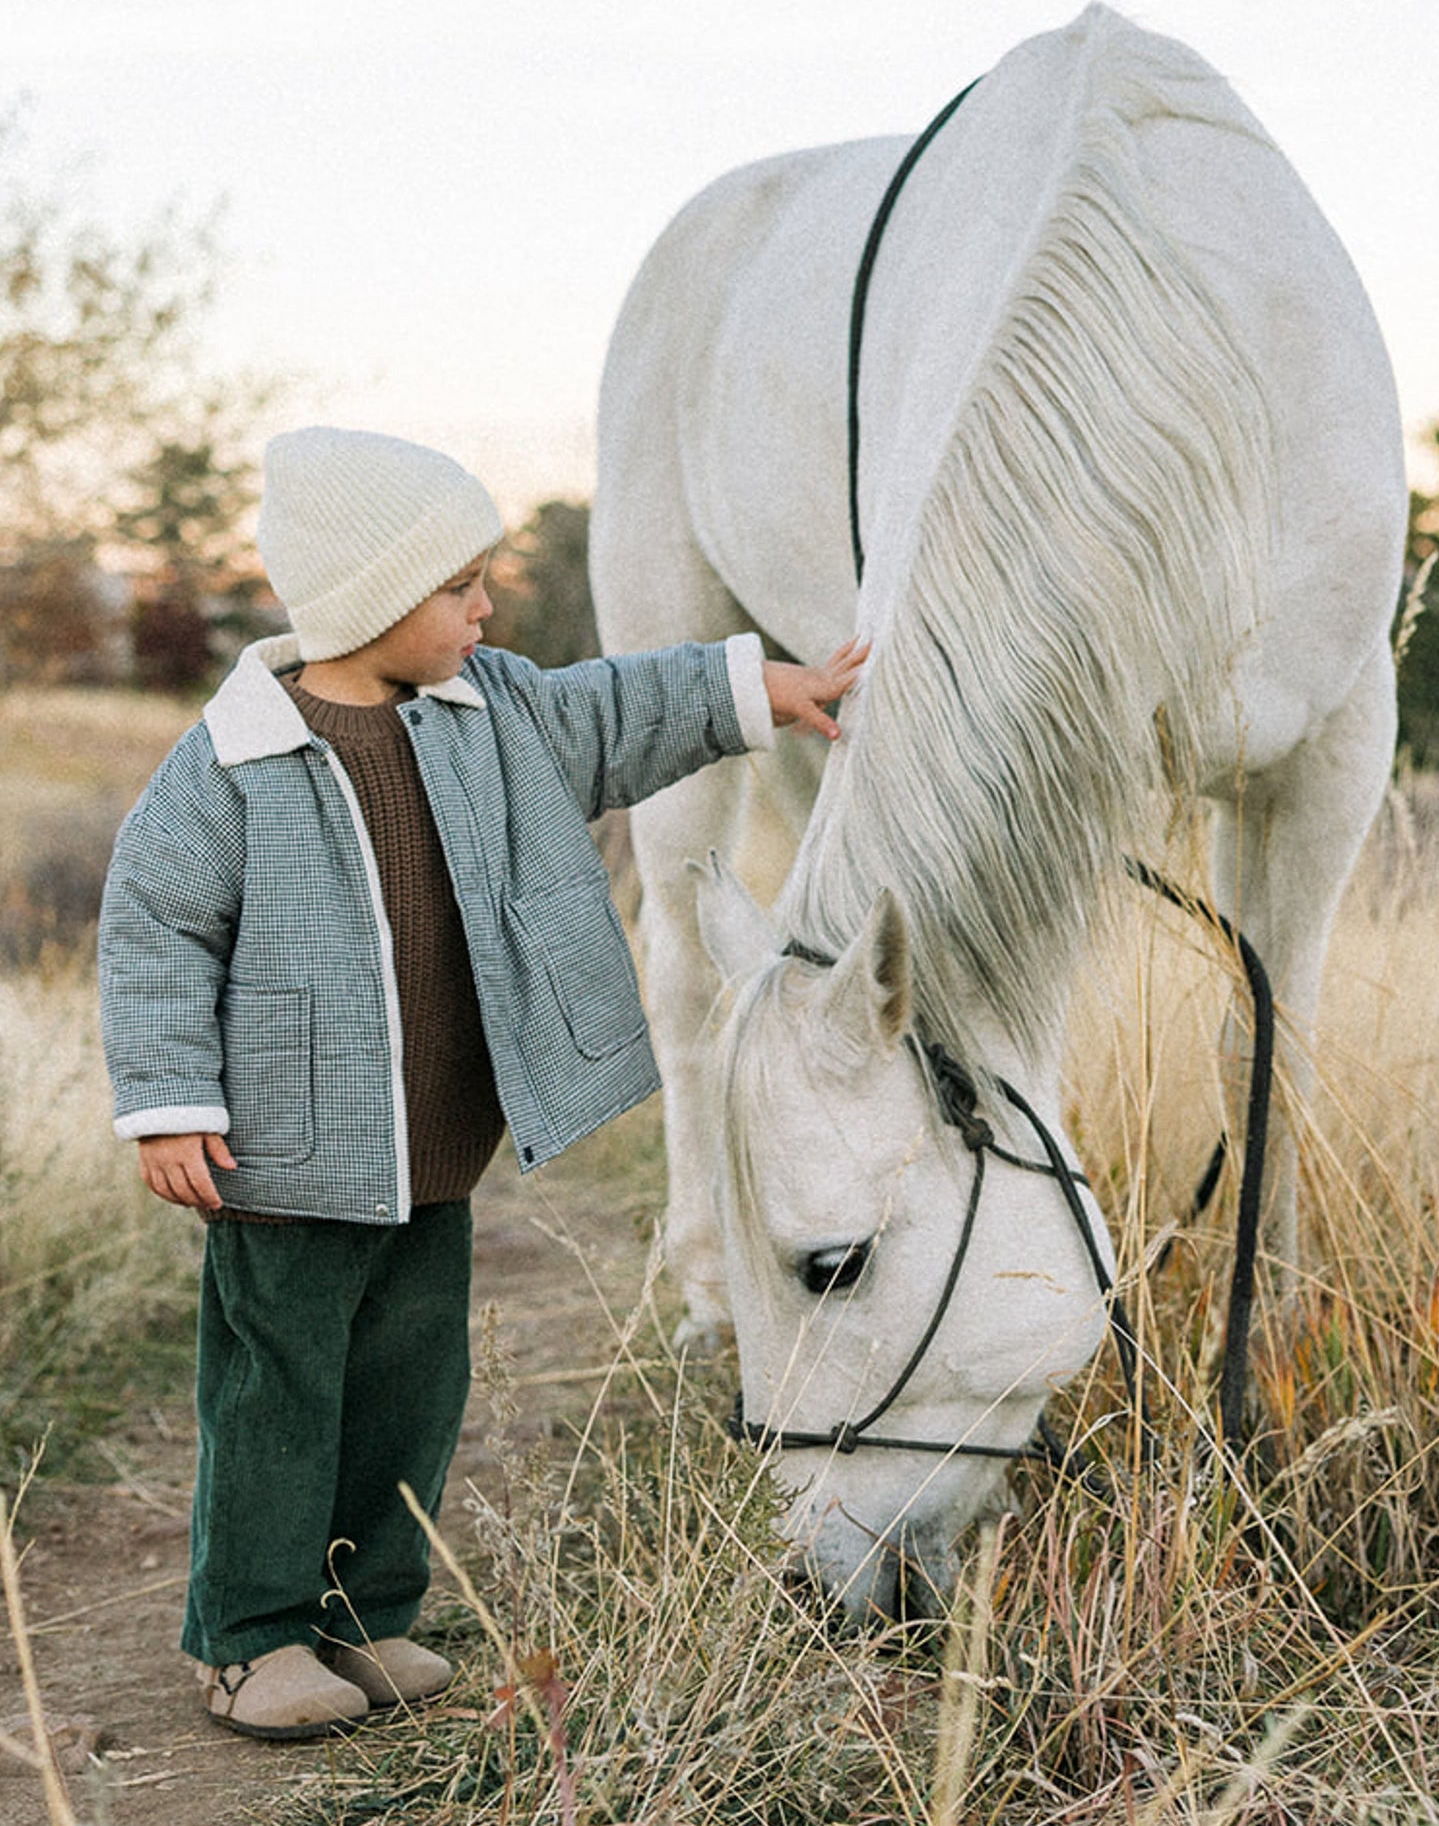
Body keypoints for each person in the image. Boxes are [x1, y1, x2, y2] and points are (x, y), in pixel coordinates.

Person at [97, 425, 866, 1742]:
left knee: (411, 1388)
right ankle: (253, 1636)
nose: (485, 608)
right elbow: (156, 926)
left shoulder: (494, 711)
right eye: (461, 587)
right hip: (283, 1163)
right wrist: (169, 1103)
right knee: (279, 1398)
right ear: (375, 598)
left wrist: (761, 691)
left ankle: (363, 1616)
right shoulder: (231, 760)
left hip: (434, 1152)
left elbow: (617, 709)